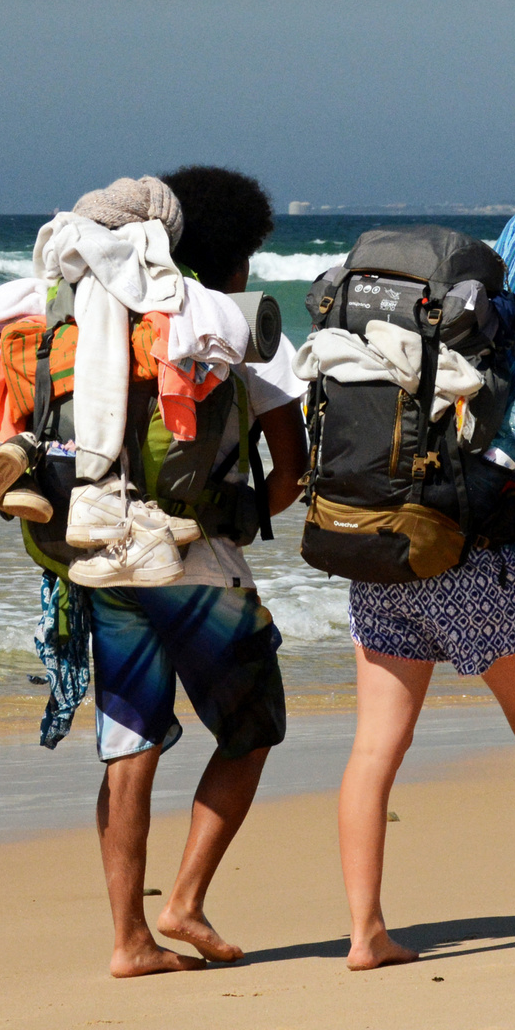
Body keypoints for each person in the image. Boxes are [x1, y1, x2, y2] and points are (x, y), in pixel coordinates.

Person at [334, 284, 515, 970]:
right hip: (478, 571)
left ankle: (365, 932)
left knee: (373, 753)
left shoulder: (404, 326)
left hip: (382, 558)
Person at [83, 165, 309, 976]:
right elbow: (290, 468)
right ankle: (182, 901)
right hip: (198, 563)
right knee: (252, 731)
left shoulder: (105, 317)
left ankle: (127, 940)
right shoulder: (233, 326)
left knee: (128, 744)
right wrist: (247, 516)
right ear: (235, 257)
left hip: (102, 553)